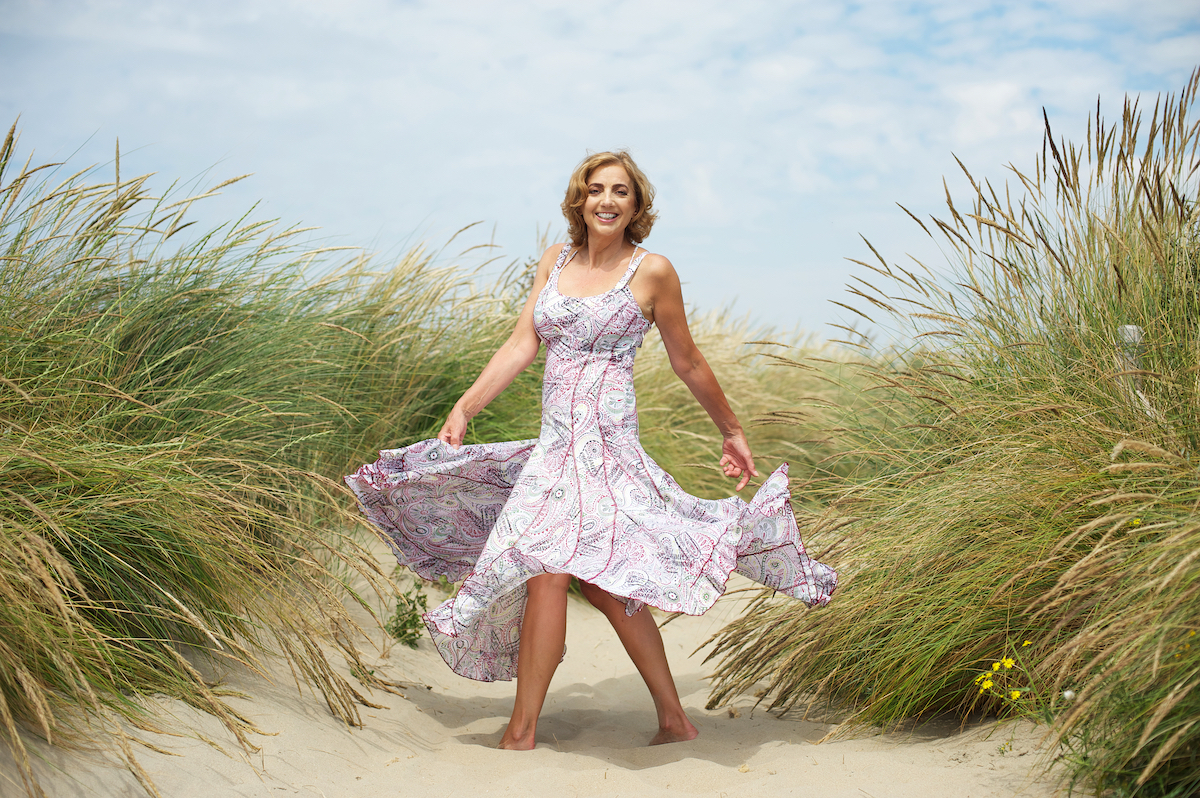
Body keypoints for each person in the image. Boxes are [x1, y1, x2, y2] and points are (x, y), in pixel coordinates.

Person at [345, 150, 836, 750]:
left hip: (607, 452)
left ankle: (646, 723)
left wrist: (730, 429)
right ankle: (536, 730)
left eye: (621, 192)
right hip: (555, 452)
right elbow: (523, 342)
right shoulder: (555, 260)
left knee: (602, 583)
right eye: (596, 189)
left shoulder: (652, 271)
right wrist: (465, 406)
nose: (607, 200)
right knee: (547, 572)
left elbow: (688, 361)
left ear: (636, 205)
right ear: (579, 199)